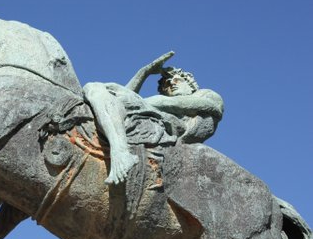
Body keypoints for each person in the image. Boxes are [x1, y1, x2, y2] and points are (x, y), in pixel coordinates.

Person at [83, 53, 223, 185]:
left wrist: (141, 101)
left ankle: (120, 150)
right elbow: (116, 101)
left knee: (104, 88)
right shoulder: (158, 103)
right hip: (151, 115)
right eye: (166, 84)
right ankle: (120, 149)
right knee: (94, 87)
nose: (171, 84)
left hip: (170, 127)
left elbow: (193, 106)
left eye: (177, 80)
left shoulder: (206, 94)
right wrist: (144, 72)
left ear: (190, 83)